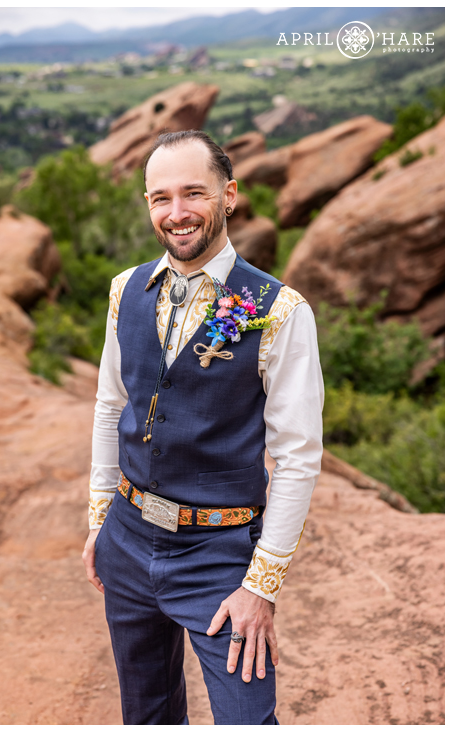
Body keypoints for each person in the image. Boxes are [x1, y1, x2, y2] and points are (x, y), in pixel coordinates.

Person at [81, 130, 323, 725]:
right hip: (128, 540)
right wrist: (99, 522)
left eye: (195, 193)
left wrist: (260, 585)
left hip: (220, 555)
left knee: (247, 719)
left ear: (229, 195)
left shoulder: (281, 310)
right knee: (147, 715)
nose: (178, 213)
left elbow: (296, 457)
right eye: (161, 198)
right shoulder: (125, 291)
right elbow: (111, 406)